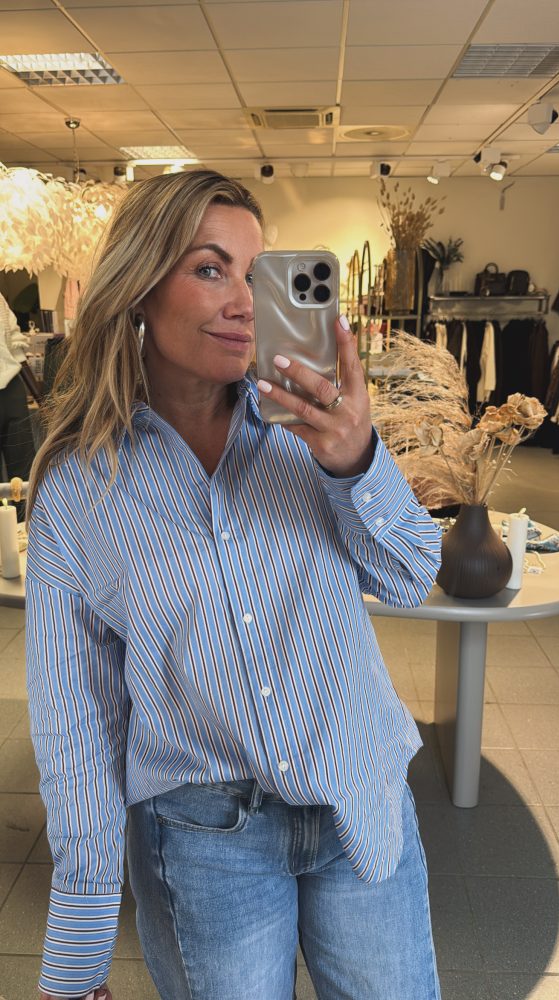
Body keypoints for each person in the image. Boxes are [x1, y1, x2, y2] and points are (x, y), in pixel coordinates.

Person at [26, 169, 442, 1000]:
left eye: (257, 275)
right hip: (202, 840)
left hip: (358, 799)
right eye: (209, 269)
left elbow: (410, 576)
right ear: (140, 287)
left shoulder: (314, 433)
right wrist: (78, 946)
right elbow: (76, 724)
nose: (246, 302)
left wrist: (355, 463)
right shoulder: (79, 491)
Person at [0, 291, 36, 518]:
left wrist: (41, 398)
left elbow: (15, 346)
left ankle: (30, 528)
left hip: (11, 386)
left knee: (24, 469)